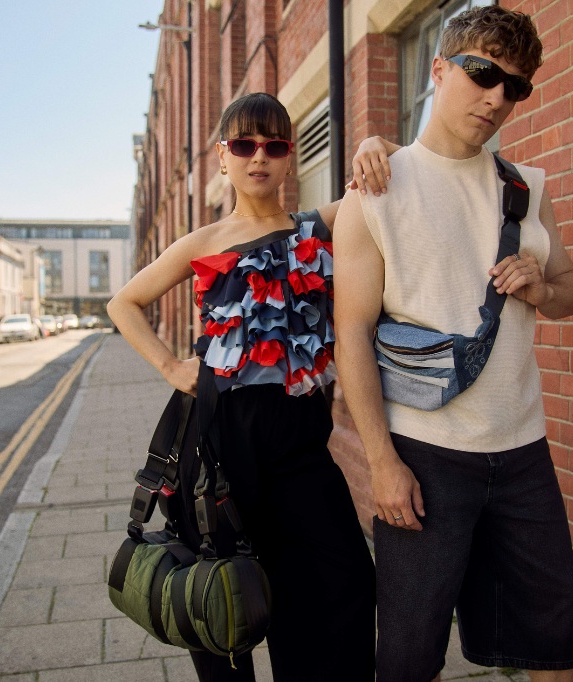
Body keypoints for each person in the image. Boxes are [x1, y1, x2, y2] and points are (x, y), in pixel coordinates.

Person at [333, 7, 573, 682]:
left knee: (555, 638)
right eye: (483, 73)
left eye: (515, 87)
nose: (497, 97)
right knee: (410, 652)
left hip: (524, 451)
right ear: (438, 69)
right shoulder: (375, 190)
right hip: (426, 456)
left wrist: (541, 287)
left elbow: (572, 291)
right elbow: (351, 334)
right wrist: (382, 462)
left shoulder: (526, 189)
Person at [108, 92, 379, 681]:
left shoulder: (319, 226)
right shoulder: (204, 241)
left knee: (344, 584)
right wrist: (170, 367)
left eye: (275, 145)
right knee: (220, 605)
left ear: (289, 158)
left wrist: (373, 145)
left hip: (301, 446)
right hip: (216, 446)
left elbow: (382, 186)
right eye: (244, 144)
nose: (260, 156)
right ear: (222, 156)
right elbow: (123, 302)